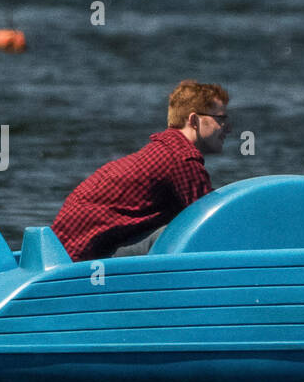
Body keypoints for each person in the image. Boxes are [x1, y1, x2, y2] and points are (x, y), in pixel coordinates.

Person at [52, 80, 230, 261]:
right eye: (220, 119)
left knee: (179, 224)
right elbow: (210, 224)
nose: (227, 128)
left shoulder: (165, 149)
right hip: (82, 260)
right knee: (180, 231)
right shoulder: (182, 158)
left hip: (63, 250)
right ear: (193, 120)